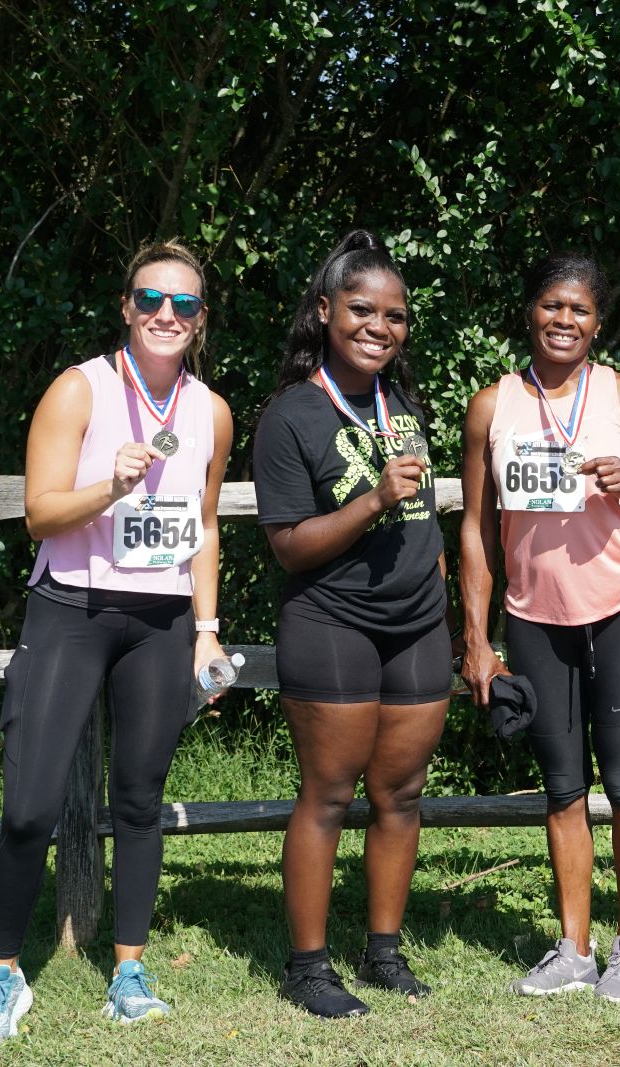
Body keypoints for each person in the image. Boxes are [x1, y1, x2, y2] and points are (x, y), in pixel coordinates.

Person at [0, 241, 234, 1050]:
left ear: (201, 320)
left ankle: (129, 972)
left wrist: (206, 631)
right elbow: (39, 513)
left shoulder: (210, 410)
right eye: (151, 298)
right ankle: (2, 973)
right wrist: (108, 486)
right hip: (70, 607)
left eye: (184, 305)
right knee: (30, 805)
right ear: (125, 305)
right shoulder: (79, 389)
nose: (166, 316)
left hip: (161, 619)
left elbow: (207, 525)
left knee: (140, 799)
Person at [460, 252, 620, 1003]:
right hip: (533, 617)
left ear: (598, 322)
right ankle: (574, 946)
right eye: (552, 305)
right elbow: (478, 530)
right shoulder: (493, 405)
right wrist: (477, 638)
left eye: (579, 310)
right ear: (530, 311)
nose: (564, 320)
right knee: (560, 786)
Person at [252, 229, 449, 1019]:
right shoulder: (290, 415)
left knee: (401, 792)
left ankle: (384, 952)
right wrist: (372, 500)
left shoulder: (402, 403)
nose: (380, 326)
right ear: (326, 311)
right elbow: (289, 547)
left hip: (417, 624)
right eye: (362, 309)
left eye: (396, 316)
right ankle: (307, 967)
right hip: (331, 620)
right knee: (329, 793)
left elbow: (427, 515)